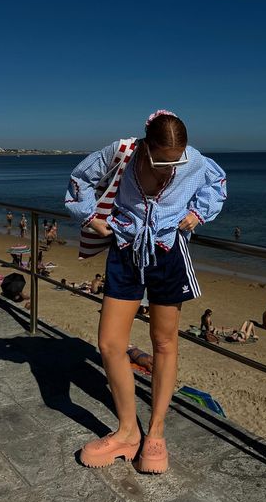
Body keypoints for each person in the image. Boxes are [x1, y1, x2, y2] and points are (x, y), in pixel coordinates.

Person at [65, 109, 226, 473]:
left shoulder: (194, 162)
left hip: (169, 253)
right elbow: (80, 179)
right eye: (162, 161)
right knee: (109, 343)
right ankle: (127, 431)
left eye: (177, 162)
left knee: (165, 342)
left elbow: (217, 184)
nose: (171, 169)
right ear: (145, 147)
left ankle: (155, 433)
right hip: (125, 250)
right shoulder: (121, 152)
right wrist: (92, 218)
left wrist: (198, 214)